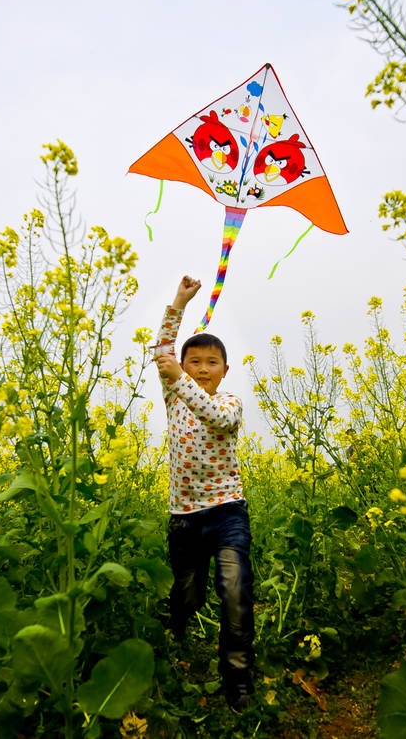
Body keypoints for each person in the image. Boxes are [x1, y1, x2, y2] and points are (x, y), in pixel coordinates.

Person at [153, 274, 255, 712]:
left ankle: (237, 677)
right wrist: (179, 301)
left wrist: (180, 378)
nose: (200, 369)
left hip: (228, 513)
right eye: (192, 362)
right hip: (185, 517)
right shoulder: (174, 397)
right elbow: (162, 354)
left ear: (225, 371)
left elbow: (213, 416)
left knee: (234, 591)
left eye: (210, 363)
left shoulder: (229, 404)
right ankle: (175, 630)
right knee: (188, 594)